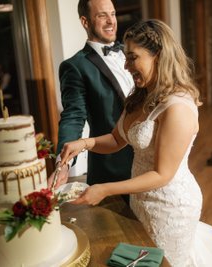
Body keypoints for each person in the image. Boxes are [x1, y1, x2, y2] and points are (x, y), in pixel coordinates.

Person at [58, 19, 212, 266]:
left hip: (170, 207)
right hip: (141, 201)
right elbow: (117, 139)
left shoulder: (178, 106)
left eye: (132, 57)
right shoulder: (140, 96)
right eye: (126, 58)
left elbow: (162, 174)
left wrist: (104, 189)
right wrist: (84, 143)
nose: (126, 66)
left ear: (157, 55)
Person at [51, 0, 134, 187]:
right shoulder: (75, 67)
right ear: (85, 22)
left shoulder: (132, 53)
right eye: (102, 15)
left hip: (151, 161)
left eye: (112, 14)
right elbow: (73, 116)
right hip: (114, 168)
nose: (111, 21)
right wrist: (62, 163)